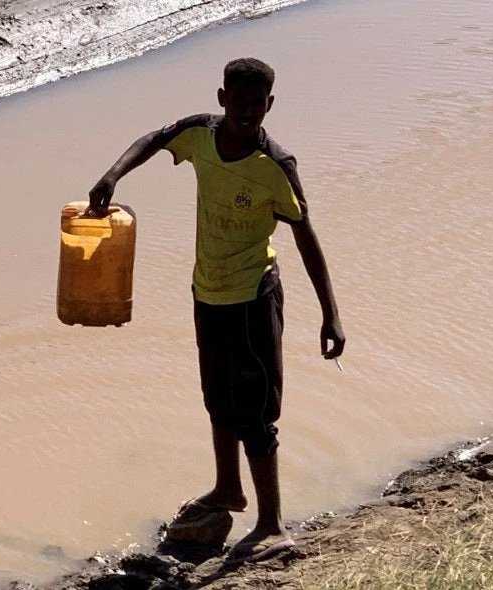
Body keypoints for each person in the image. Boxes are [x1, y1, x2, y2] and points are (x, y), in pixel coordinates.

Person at [86, 58, 345, 563]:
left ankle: (271, 524)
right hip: (208, 292)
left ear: (268, 106)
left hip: (253, 297)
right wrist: (112, 175)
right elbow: (154, 138)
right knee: (218, 400)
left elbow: (305, 234)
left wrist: (330, 313)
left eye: (257, 103)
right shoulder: (201, 134)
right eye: (238, 100)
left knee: (256, 412)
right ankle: (229, 489)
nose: (247, 111)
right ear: (222, 98)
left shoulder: (277, 164)